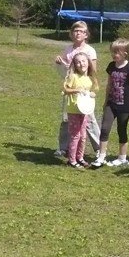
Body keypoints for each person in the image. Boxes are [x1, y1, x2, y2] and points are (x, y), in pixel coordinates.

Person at [54, 21, 100, 157]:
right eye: (75, 31)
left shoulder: (90, 50)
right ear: (71, 33)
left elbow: (93, 70)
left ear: (86, 34)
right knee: (66, 118)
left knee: (89, 119)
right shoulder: (68, 49)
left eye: (81, 31)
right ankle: (63, 148)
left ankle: (99, 148)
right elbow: (66, 70)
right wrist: (60, 62)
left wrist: (91, 89)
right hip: (71, 89)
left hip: (84, 89)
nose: (78, 33)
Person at [93, 38, 129, 168]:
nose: (114, 55)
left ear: (125, 53)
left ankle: (122, 158)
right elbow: (109, 85)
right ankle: (101, 156)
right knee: (104, 128)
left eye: (116, 52)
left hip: (125, 106)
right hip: (111, 104)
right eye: (112, 52)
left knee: (121, 130)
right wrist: (105, 102)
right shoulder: (111, 66)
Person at [62, 51, 98, 169]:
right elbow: (65, 90)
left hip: (85, 110)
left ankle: (80, 157)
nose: (81, 64)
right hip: (73, 110)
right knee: (75, 135)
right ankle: (72, 160)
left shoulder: (89, 78)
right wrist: (76, 90)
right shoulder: (73, 77)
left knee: (83, 136)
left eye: (83, 61)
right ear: (74, 65)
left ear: (88, 62)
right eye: (78, 62)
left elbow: (93, 91)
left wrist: (92, 94)